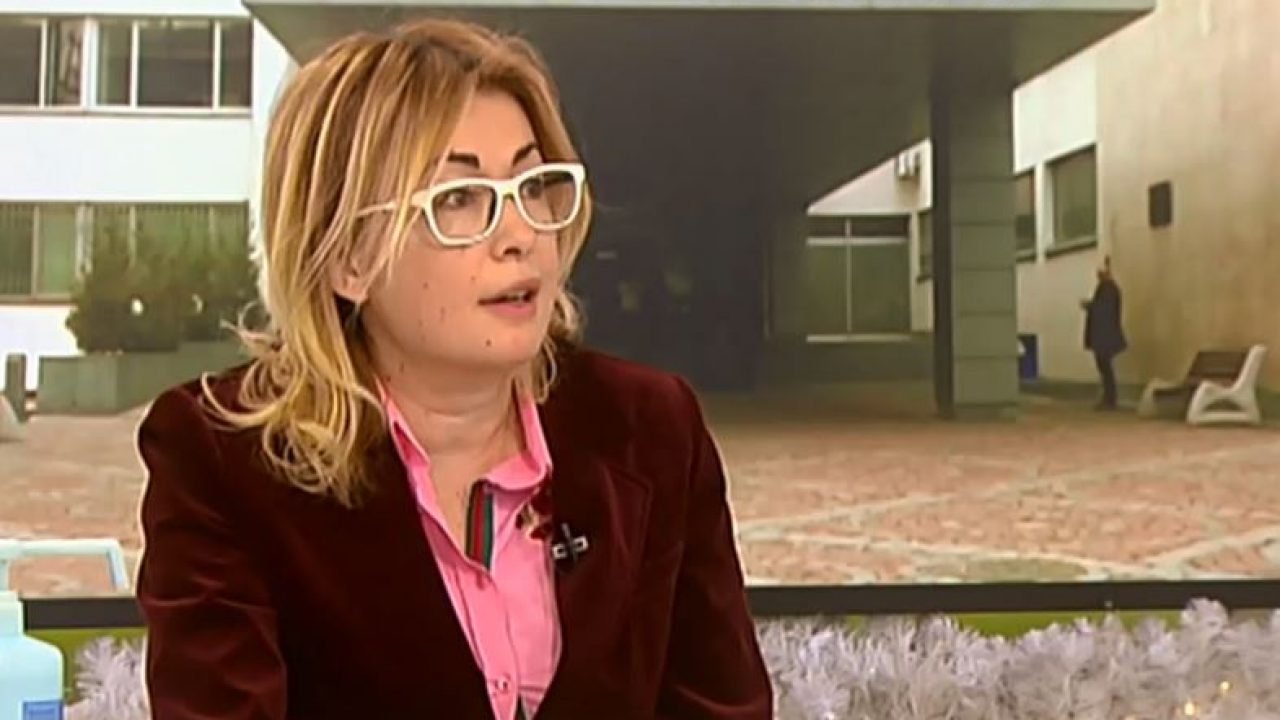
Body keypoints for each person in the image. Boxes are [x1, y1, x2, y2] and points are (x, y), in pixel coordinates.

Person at [133, 17, 772, 720]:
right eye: (458, 199)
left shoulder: (650, 430)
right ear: (348, 257)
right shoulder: (222, 460)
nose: (520, 235)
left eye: (533, 186)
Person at [1081, 256, 1127, 410]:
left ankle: (1110, 398)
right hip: (1104, 335)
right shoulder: (1108, 288)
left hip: (1104, 336)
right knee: (1105, 367)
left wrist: (1090, 306)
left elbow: (1103, 310)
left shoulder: (1108, 289)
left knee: (1105, 367)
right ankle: (1108, 397)